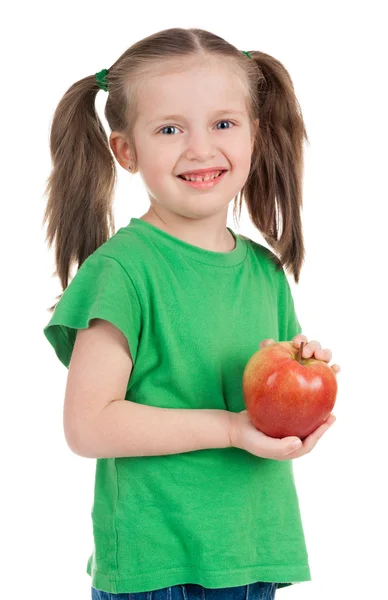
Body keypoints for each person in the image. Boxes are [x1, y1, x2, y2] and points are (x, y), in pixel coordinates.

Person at [42, 27, 340, 600]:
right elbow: (88, 425)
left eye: (224, 123)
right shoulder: (123, 271)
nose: (201, 149)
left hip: (253, 552)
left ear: (256, 133)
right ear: (126, 151)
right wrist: (228, 429)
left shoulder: (263, 271)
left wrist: (305, 382)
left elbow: (266, 410)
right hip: (163, 567)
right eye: (170, 129)